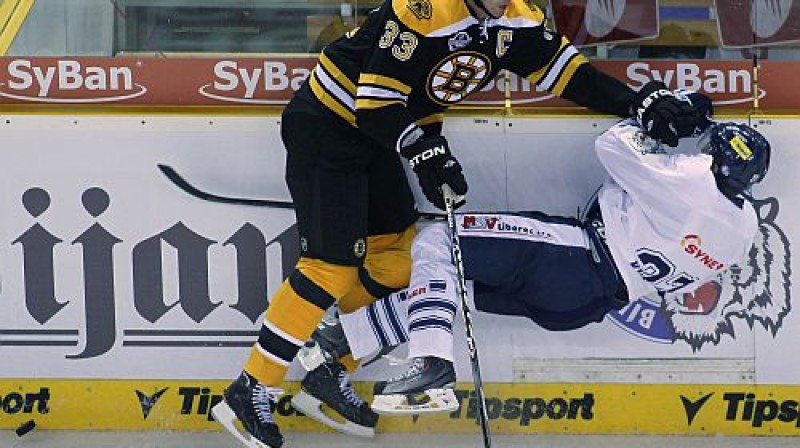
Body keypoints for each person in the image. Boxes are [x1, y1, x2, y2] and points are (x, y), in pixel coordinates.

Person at [211, 0, 705, 446]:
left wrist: (636, 102)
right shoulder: (423, 9)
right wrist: (423, 149)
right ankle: (250, 389)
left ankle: (328, 373)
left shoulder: (516, 16)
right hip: (330, 125)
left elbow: (567, 74)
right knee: (331, 266)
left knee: (399, 256)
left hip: (381, 139)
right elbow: (375, 103)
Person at [326, 114, 772, 416]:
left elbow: (614, 144)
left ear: (717, 158)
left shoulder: (693, 179)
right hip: (585, 305)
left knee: (438, 241)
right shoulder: (743, 227)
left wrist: (655, 122)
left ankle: (431, 365)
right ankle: (339, 342)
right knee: (448, 293)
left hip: (573, 256)